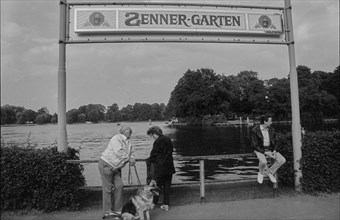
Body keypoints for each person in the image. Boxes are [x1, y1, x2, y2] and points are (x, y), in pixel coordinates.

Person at [98, 125, 136, 219]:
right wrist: (129, 159)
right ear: (122, 131)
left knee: (119, 186)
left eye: (130, 131)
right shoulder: (116, 138)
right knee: (108, 189)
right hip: (107, 164)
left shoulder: (128, 142)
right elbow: (118, 152)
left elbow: (132, 153)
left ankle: (118, 210)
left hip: (116, 167)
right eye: (128, 130)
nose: (130, 132)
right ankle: (107, 212)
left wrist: (132, 159)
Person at [147, 126, 176, 212]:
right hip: (169, 167)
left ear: (154, 134)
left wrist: (149, 160)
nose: (152, 137)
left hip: (160, 168)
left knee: (157, 186)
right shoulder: (168, 139)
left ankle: (154, 203)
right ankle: (166, 204)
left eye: (151, 135)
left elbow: (153, 154)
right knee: (167, 187)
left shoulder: (157, 141)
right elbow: (171, 151)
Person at [251, 114, 286, 184]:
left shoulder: (272, 129)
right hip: (259, 149)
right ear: (265, 122)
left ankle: (269, 172)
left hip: (270, 149)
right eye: (270, 121)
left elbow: (275, 141)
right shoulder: (255, 130)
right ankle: (261, 173)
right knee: (264, 162)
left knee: (282, 160)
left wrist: (274, 150)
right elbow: (254, 145)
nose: (271, 122)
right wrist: (265, 152)